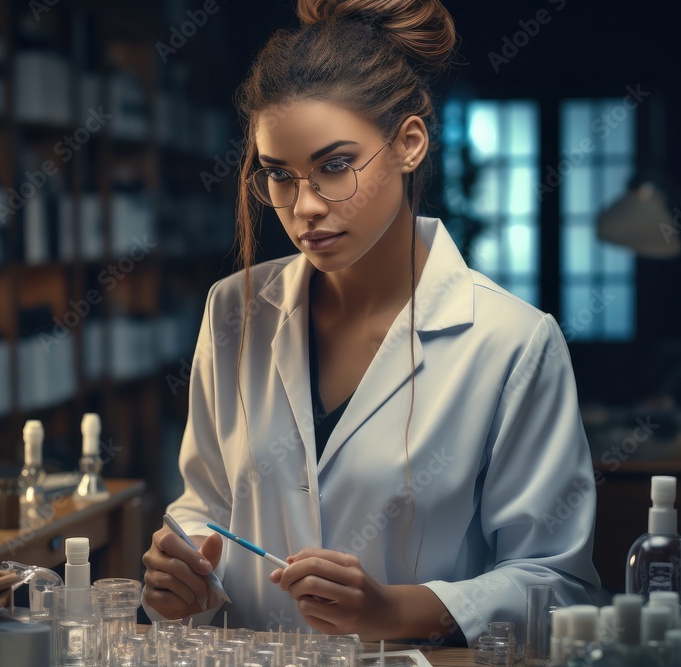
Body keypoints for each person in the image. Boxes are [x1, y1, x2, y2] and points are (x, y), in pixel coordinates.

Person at [142, 0, 601, 644]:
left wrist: (395, 610)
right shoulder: (234, 310)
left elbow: (560, 587)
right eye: (278, 175)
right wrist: (183, 570)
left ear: (408, 144)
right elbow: (208, 507)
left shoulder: (512, 342)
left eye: (334, 166)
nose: (304, 208)